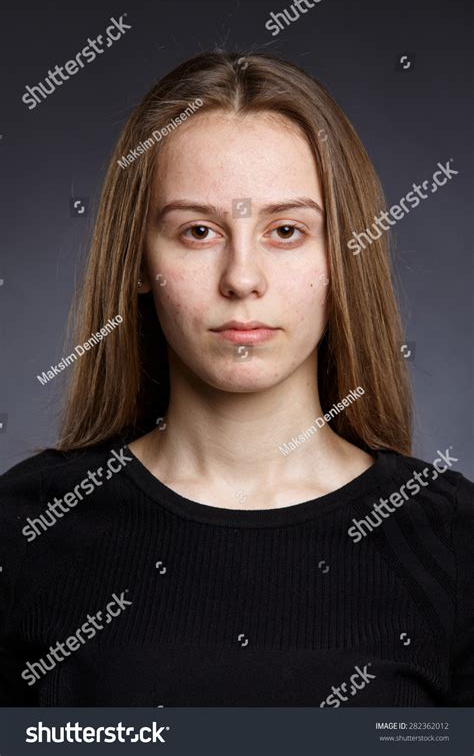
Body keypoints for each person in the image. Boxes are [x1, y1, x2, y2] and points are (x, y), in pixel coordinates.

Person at [1, 51, 472, 707]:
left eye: (286, 230)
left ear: (342, 255)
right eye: (198, 231)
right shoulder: (24, 530)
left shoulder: (451, 539)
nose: (242, 278)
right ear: (138, 259)